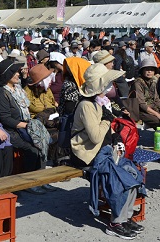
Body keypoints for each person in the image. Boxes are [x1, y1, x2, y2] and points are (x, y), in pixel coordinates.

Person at [71, 63, 144, 240]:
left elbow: (106, 132)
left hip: (101, 150)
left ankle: (124, 217)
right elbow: (96, 136)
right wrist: (107, 120)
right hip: (87, 154)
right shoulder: (86, 106)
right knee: (120, 179)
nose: (112, 86)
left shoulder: (98, 103)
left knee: (133, 175)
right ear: (101, 86)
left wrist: (116, 138)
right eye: (108, 83)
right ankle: (115, 222)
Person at [0, 59, 55, 194]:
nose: (18, 74)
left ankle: (41, 179)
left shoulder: (18, 89)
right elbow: (5, 118)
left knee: (43, 142)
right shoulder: (1, 93)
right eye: (15, 72)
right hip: (11, 130)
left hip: (24, 126)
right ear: (7, 75)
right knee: (32, 149)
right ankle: (29, 183)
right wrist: (26, 125)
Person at [131, 59, 160, 129]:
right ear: (142, 71)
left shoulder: (153, 81)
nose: (149, 71)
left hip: (152, 108)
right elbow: (141, 104)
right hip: (140, 110)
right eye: (147, 69)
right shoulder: (137, 83)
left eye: (152, 70)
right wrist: (157, 114)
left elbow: (156, 99)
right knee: (157, 121)